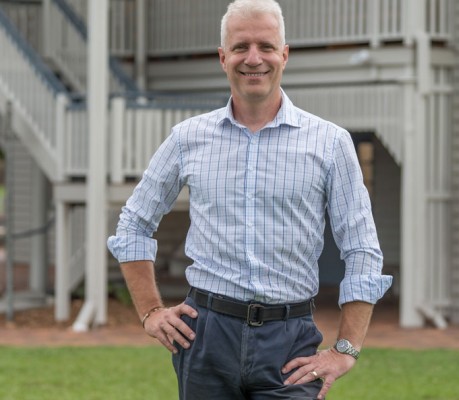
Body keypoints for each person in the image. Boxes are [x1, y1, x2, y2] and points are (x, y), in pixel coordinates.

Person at [108, 0, 392, 399]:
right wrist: (151, 311)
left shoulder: (330, 143)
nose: (253, 59)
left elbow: (362, 248)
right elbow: (133, 224)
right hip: (205, 336)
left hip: (289, 341)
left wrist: (346, 348)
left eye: (266, 46)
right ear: (223, 58)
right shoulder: (187, 138)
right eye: (241, 47)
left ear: (285, 55)